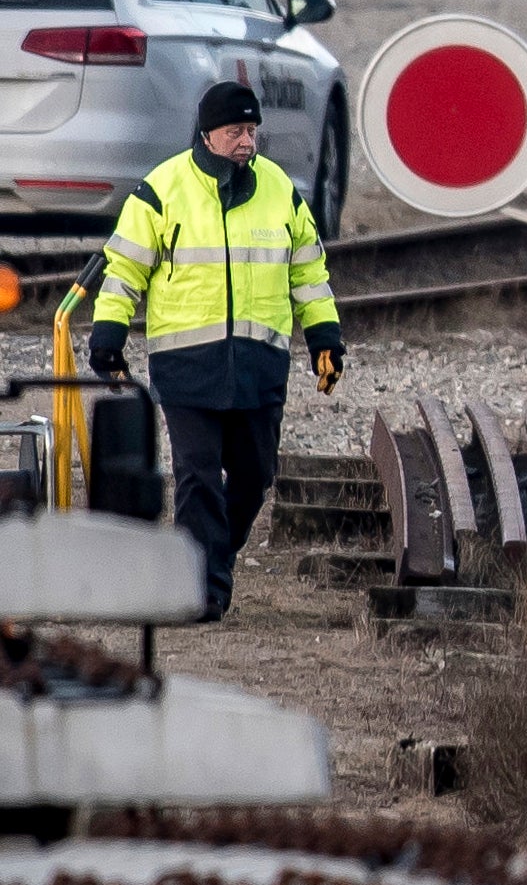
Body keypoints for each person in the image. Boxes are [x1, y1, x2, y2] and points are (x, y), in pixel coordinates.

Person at [83, 81, 339, 621]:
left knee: (254, 478)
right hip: (186, 367)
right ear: (207, 134)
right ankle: (203, 591)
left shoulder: (280, 190)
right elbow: (124, 270)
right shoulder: (162, 189)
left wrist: (324, 338)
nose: (246, 141)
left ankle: (208, 558)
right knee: (197, 476)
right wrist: (108, 334)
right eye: (235, 132)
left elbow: (309, 273)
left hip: (259, 367)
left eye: (251, 130)